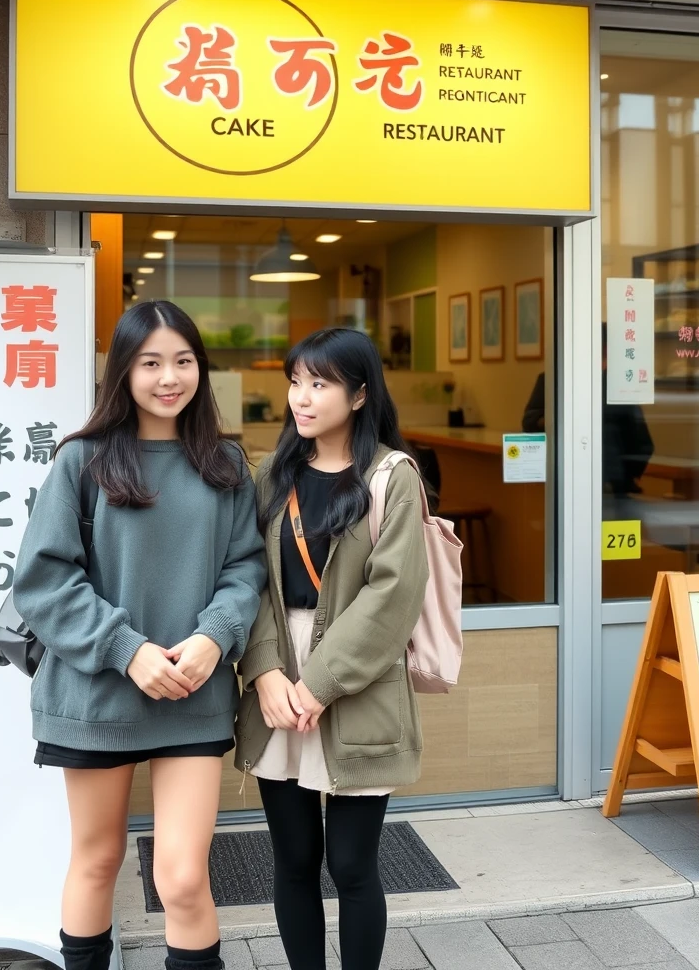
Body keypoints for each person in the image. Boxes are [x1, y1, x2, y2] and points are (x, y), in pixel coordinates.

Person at [13, 301, 266, 970]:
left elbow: (246, 569)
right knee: (98, 860)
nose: (168, 377)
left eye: (183, 361)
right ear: (123, 371)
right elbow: (43, 583)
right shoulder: (81, 461)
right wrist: (128, 651)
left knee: (182, 876)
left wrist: (216, 636)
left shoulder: (227, 464)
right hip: (98, 697)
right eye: (151, 362)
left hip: (193, 692)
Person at [235, 328, 429, 970]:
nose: (301, 397)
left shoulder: (391, 477)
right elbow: (247, 579)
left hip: (355, 678)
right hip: (278, 675)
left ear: (359, 393)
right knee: (292, 862)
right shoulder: (272, 474)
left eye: (319, 383)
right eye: (296, 381)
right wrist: (264, 671)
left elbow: (392, 596)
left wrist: (318, 684)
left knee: (351, 865)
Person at [522, 324, 654, 505]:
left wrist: (623, 476)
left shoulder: (618, 386)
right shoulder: (551, 379)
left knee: (610, 529)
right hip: (565, 482)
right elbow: (529, 422)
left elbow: (642, 443)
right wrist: (556, 420)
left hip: (611, 486)